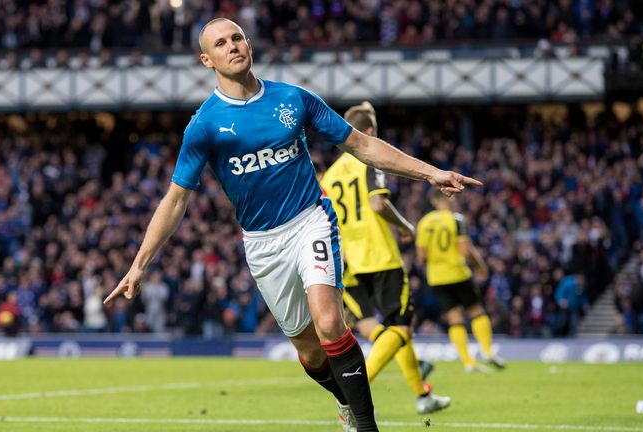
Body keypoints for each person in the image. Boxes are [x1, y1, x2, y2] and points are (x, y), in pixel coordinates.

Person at [104, 18, 482, 432]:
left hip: (310, 219)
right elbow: (175, 199)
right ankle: (344, 399)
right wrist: (139, 263)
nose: (232, 46)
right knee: (311, 349)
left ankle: (367, 426)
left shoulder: (293, 99)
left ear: (248, 44)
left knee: (329, 321)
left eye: (237, 38)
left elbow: (361, 144)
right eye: (221, 43)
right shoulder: (204, 125)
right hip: (263, 243)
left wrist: (431, 173)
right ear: (206, 59)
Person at [320, 101, 451, 415]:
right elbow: (378, 205)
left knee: (379, 327)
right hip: (380, 256)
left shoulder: (330, 175)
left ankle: (422, 394)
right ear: (368, 133)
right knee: (402, 327)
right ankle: (352, 398)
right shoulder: (369, 159)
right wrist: (406, 226)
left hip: (348, 261)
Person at [415, 190, 505, 373]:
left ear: (433, 201)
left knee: (455, 320)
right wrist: (480, 265)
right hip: (458, 274)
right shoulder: (456, 219)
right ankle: (487, 352)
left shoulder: (424, 223)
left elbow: (421, 256)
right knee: (477, 312)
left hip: (437, 278)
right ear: (449, 199)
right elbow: (465, 250)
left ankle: (468, 362)